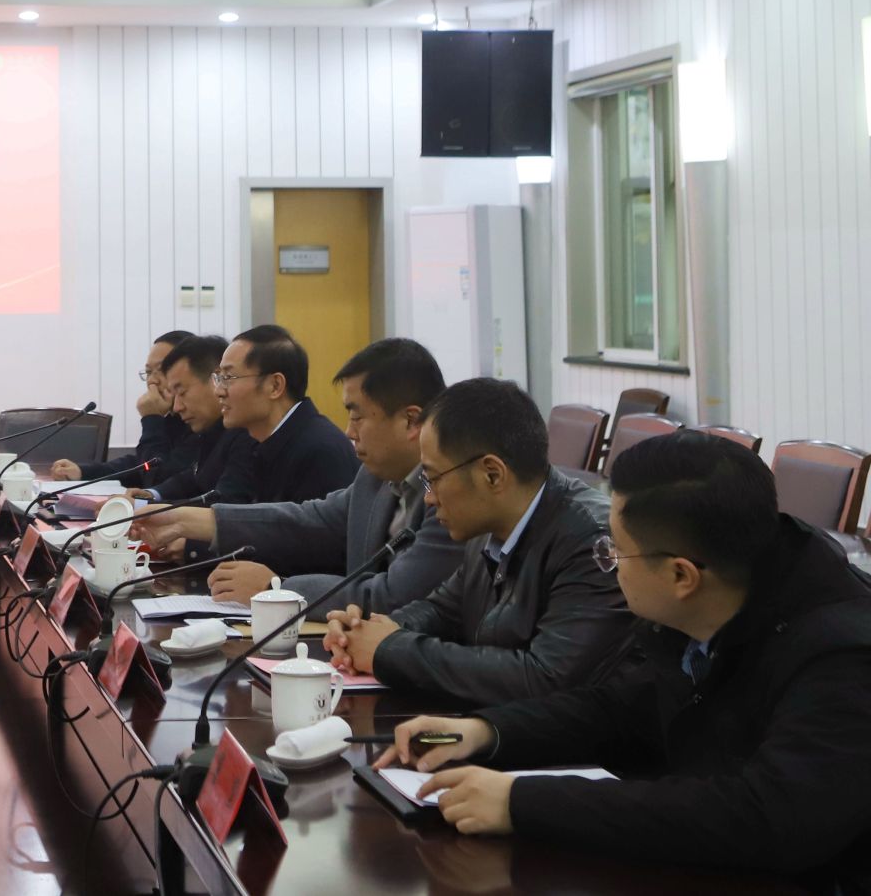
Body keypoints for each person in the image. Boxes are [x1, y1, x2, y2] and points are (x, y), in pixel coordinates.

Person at [382, 433, 871, 889]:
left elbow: (767, 818)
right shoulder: (714, 596)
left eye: (615, 551)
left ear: (681, 576)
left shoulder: (842, 654)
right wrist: (485, 731)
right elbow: (620, 709)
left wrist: (521, 803)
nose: (608, 563)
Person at [324, 376, 628, 704]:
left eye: (433, 479)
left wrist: (389, 649)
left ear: (492, 475)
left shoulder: (591, 541)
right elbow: (443, 610)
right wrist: (368, 632)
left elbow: (544, 677)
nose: (428, 498)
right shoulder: (487, 527)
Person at [137, 337, 462, 608]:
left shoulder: (451, 495)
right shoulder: (375, 477)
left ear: (410, 421)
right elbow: (309, 520)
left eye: (357, 417)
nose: (349, 432)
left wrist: (277, 589)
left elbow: (393, 596)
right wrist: (183, 519)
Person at [201, 326, 358, 504]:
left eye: (229, 377)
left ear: (275, 386)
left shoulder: (320, 452)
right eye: (219, 378)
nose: (218, 391)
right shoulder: (262, 442)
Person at [48, 331, 195, 484]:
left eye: (162, 369)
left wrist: (151, 418)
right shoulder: (173, 419)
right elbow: (140, 465)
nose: (152, 381)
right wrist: (82, 472)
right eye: (149, 372)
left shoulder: (198, 423)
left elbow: (155, 478)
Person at [141, 334, 254, 503]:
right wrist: (152, 495)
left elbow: (224, 506)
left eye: (182, 392)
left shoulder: (246, 432)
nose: (177, 407)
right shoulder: (213, 429)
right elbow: (195, 478)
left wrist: (145, 506)